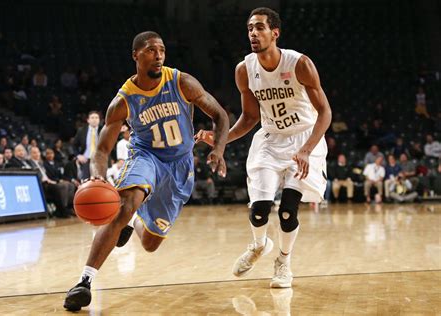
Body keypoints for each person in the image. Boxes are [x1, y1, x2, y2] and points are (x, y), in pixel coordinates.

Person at [63, 31, 229, 311]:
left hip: (180, 164)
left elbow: (220, 116)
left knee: (151, 243)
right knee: (125, 205)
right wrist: (98, 175)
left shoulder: (181, 82)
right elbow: (102, 150)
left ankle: (134, 224)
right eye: (151, 50)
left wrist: (219, 149)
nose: (159, 56)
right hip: (146, 156)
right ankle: (84, 281)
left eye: (162, 50)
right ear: (136, 56)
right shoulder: (123, 101)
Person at [195, 7, 331, 288]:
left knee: (287, 210)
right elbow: (250, 118)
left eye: (259, 27)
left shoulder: (300, 64)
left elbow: (325, 112)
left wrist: (306, 149)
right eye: (249, 29)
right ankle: (259, 246)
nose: (253, 33)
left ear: (275, 33)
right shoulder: (244, 70)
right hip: (270, 139)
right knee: (259, 209)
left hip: (303, 137)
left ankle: (283, 263)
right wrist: (219, 140)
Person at [72, 111, 101, 180]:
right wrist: (78, 155)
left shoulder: (103, 130)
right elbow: (74, 145)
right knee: (86, 181)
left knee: (100, 183)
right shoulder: (81, 131)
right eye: (92, 118)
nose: (94, 119)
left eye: (97, 118)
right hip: (86, 160)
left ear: (99, 120)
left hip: (99, 160)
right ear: (88, 120)